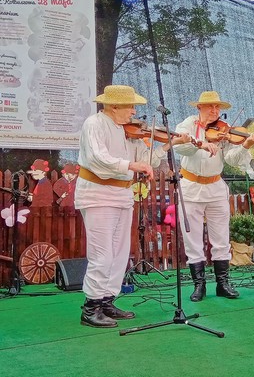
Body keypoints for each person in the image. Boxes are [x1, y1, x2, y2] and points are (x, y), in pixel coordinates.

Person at [74, 85, 191, 328]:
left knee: (119, 253)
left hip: (122, 195)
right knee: (102, 253)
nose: (134, 111)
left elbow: (146, 160)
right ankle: (90, 307)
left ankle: (107, 300)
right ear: (113, 106)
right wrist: (131, 165)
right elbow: (98, 158)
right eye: (130, 106)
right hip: (97, 194)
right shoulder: (94, 123)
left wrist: (168, 144)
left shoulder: (129, 131)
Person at [174, 91, 254, 302]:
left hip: (215, 186)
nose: (215, 111)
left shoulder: (224, 131)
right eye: (210, 107)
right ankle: (199, 285)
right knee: (192, 238)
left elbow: (232, 158)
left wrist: (246, 144)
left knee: (221, 236)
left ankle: (223, 283)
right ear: (199, 108)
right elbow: (182, 149)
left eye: (217, 108)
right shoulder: (186, 125)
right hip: (191, 186)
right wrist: (201, 140)